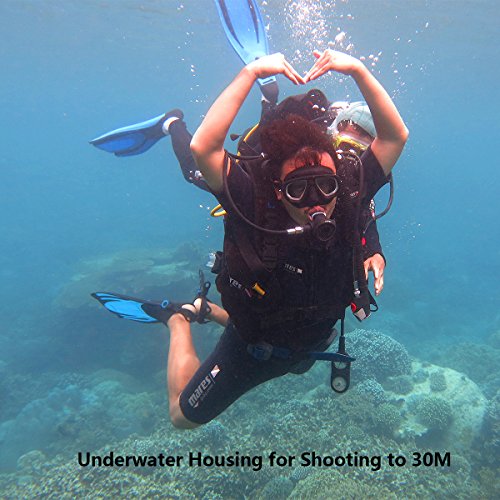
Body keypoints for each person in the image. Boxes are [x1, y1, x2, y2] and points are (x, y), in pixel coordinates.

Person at [94, 49, 408, 428]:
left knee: (290, 343)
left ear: (339, 181)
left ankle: (207, 311)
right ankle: (178, 318)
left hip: (308, 342)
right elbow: (204, 148)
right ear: (277, 190)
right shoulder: (253, 200)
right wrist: (250, 72)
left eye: (325, 186)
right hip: (250, 347)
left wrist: (357, 68)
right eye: (298, 190)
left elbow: (395, 136)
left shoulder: (349, 192)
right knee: (182, 417)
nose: (316, 203)